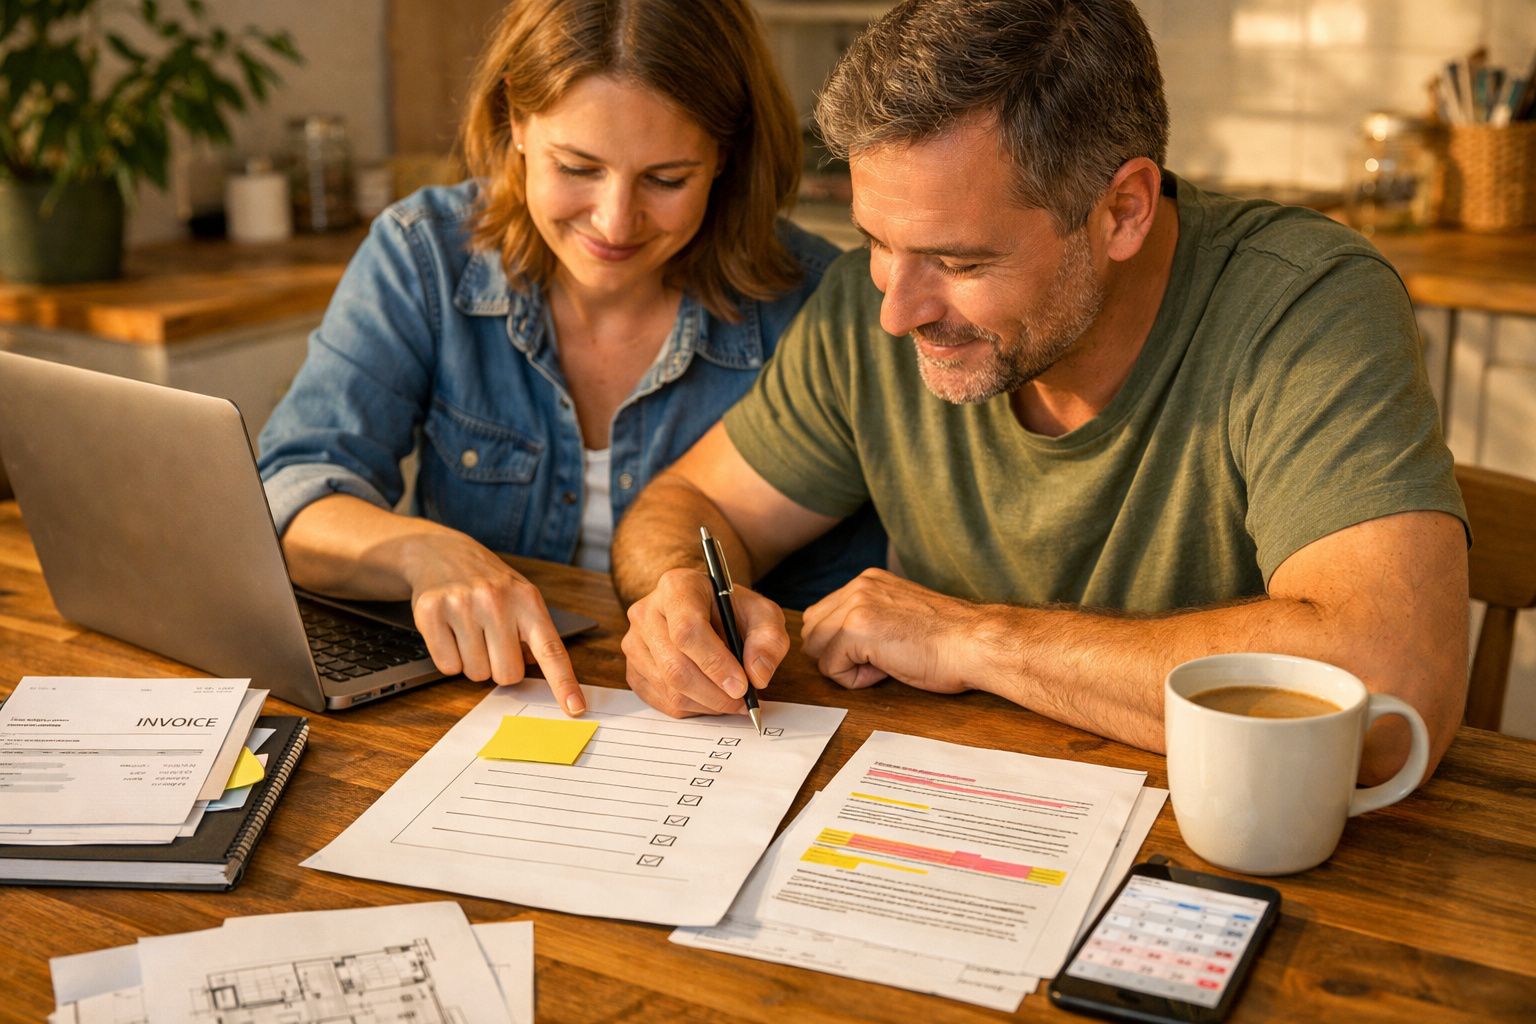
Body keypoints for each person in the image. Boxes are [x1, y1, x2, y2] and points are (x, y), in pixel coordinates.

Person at [613, 0, 1469, 785]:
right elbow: (684, 502)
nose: (897, 311)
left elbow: (1390, 691)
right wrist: (677, 594)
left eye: (961, 262)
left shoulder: (1304, 307)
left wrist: (971, 639)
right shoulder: (862, 310)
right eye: (877, 240)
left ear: (1123, 210)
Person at [257, 0, 883, 719]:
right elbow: (287, 495)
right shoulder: (424, 257)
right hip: (483, 712)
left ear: (726, 155)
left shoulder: (815, 306)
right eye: (578, 167)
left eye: (667, 179)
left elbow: (846, 602)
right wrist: (423, 554)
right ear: (514, 124)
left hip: (742, 723)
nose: (615, 221)